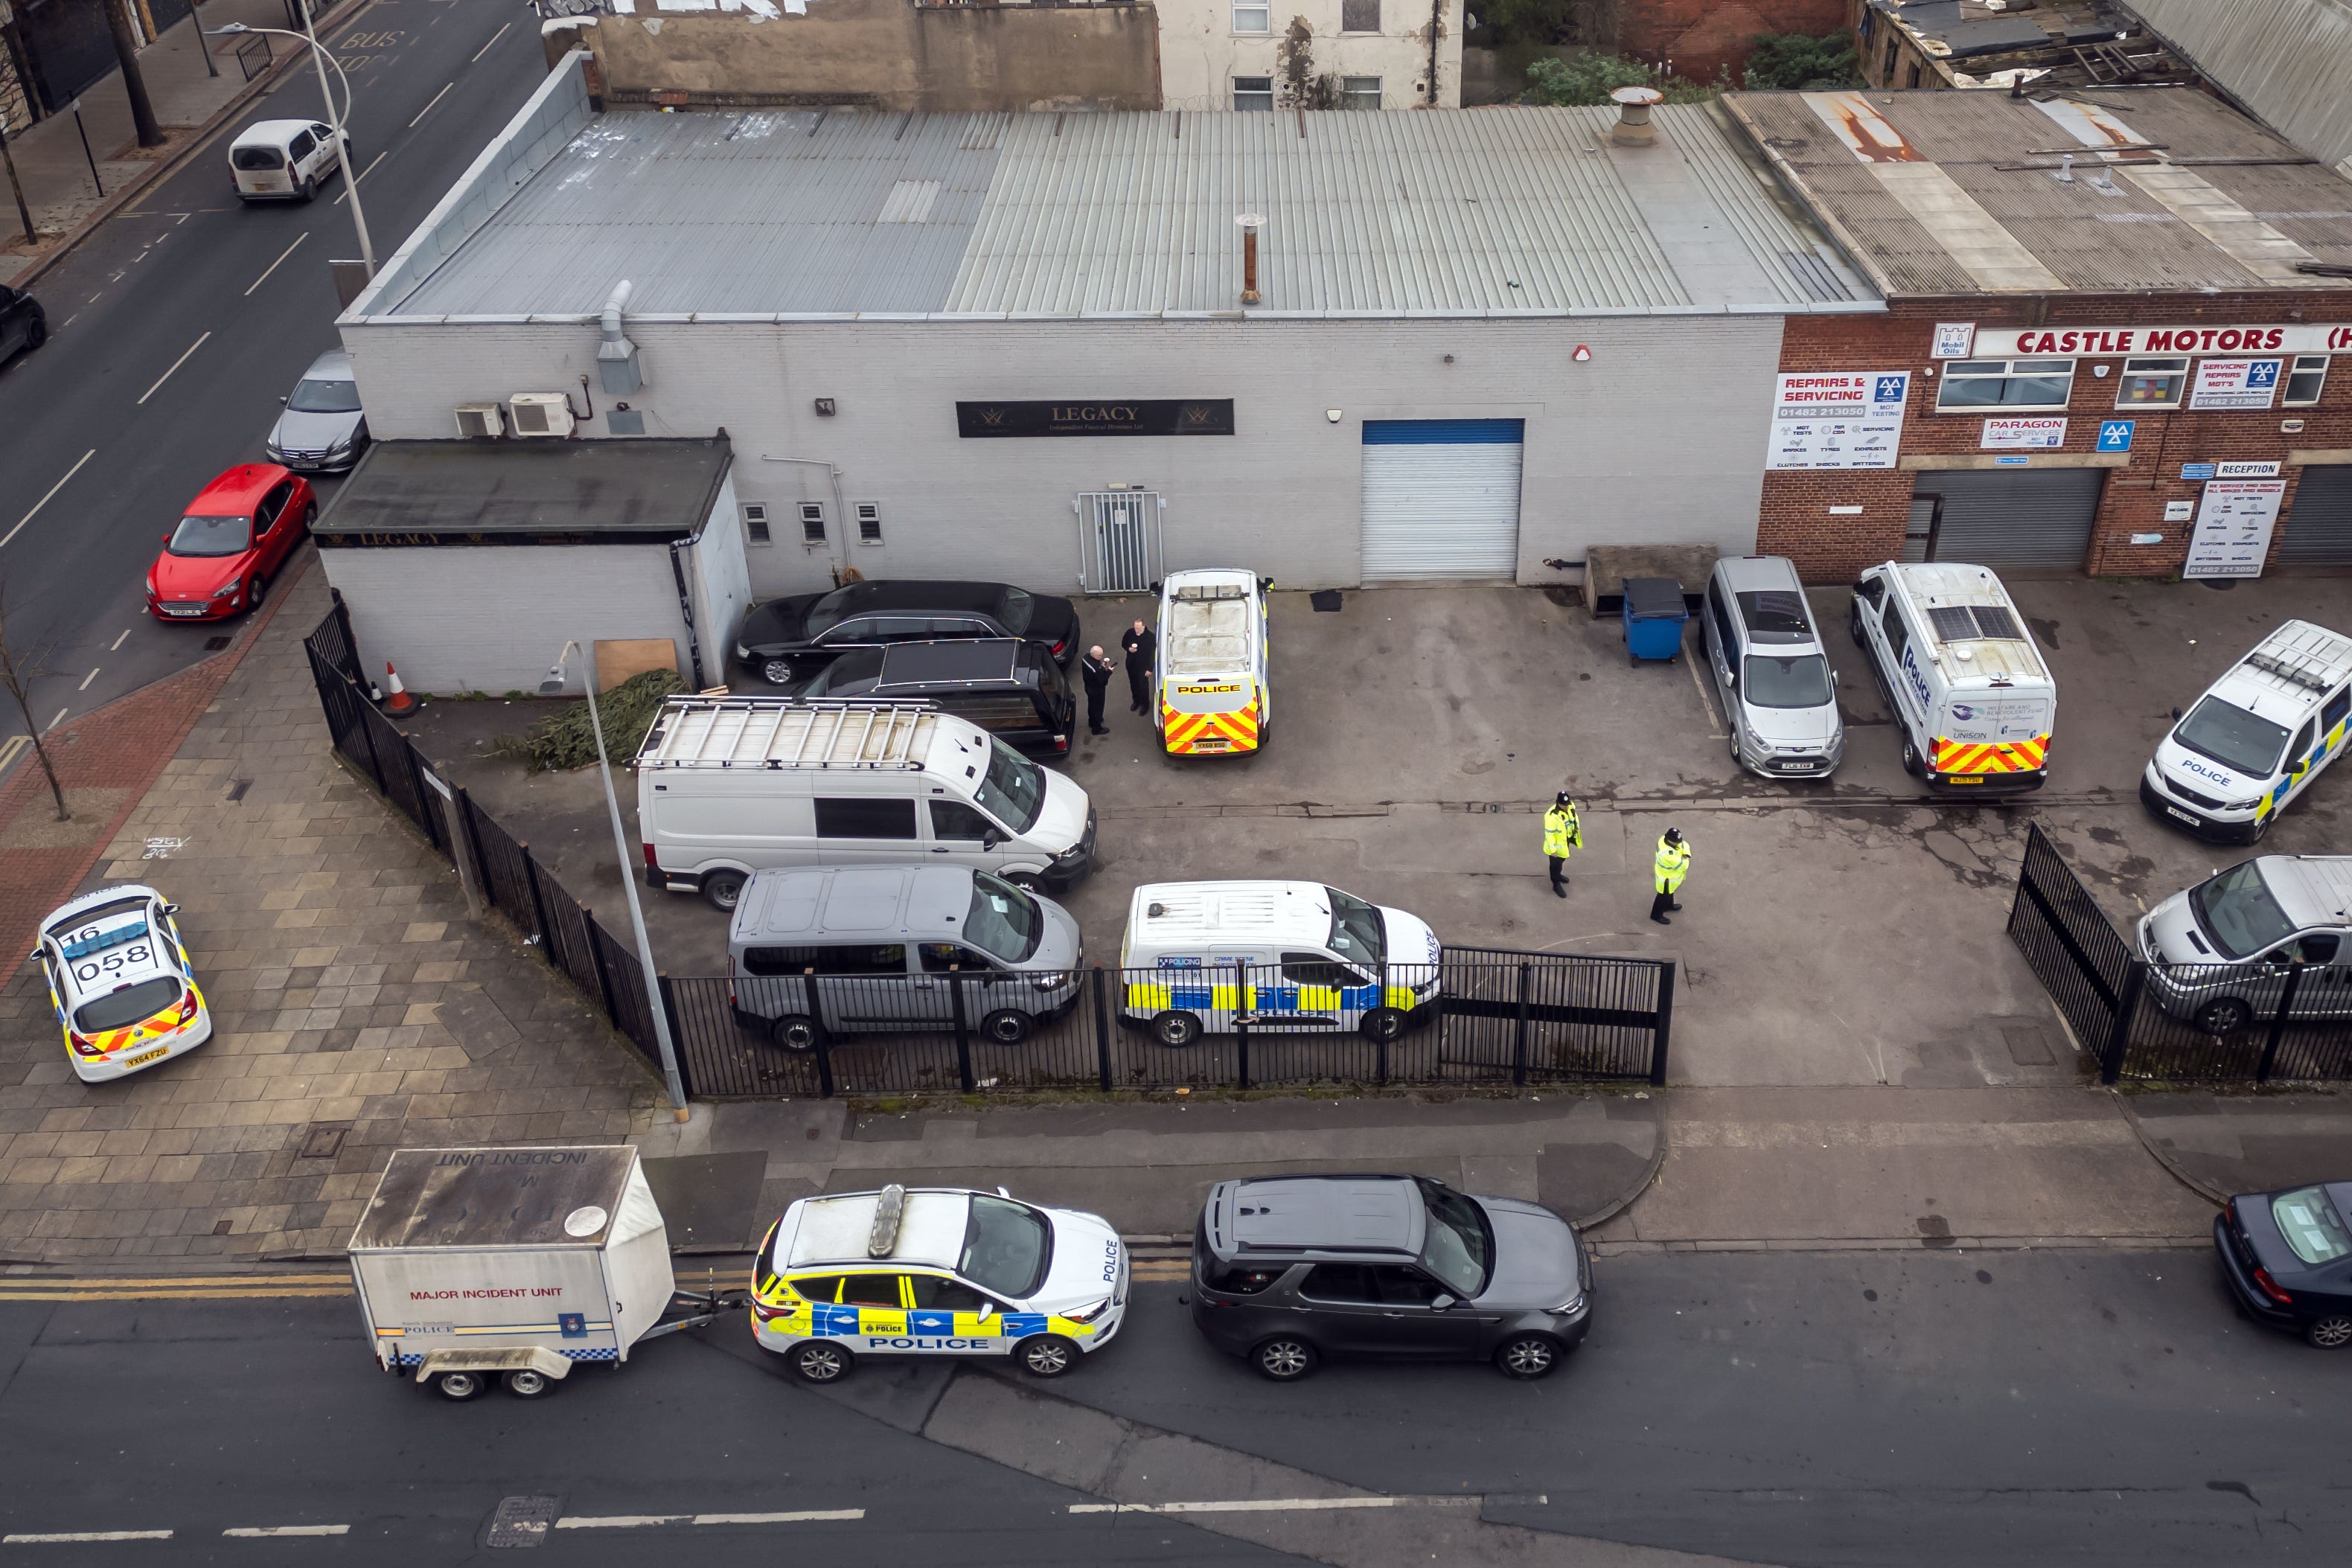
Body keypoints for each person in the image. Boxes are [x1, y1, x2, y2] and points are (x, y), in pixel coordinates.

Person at [1541, 792, 1582, 900]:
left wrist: (1575, 827)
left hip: (1565, 840)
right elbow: (1549, 834)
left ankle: (1558, 875)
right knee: (1555, 865)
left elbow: (1574, 817)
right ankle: (1556, 884)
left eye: (1567, 804)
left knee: (1562, 860)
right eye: (1564, 804)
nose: (1566, 806)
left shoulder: (1570, 806)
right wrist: (1553, 850)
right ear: (1558, 803)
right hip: (1556, 846)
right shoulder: (1551, 816)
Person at [1650, 828, 1690, 925]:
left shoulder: (1664, 839)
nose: (1679, 844)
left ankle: (1668, 906)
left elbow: (1685, 844)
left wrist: (1685, 852)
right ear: (1670, 840)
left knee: (1670, 893)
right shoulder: (1667, 855)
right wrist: (1685, 856)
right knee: (1663, 897)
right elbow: (1683, 865)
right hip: (1665, 879)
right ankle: (1656, 915)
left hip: (1671, 878)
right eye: (1676, 842)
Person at [1121, 618, 1157, 714]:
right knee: (1134, 684)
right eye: (1135, 627)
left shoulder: (1150, 637)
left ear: (1143, 626)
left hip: (1143, 667)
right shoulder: (1130, 633)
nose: (1136, 629)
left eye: (1138, 628)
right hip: (1131, 664)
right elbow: (1123, 644)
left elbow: (1152, 654)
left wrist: (1150, 668)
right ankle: (1136, 701)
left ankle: (1145, 705)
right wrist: (1129, 649)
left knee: (1143, 686)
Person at [1079, 645, 1115, 736]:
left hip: (1088, 686)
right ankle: (1097, 729)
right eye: (1100, 655)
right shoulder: (1095, 668)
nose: (1101, 657)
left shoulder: (1086, 658)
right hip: (1096, 690)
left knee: (1091, 705)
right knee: (1098, 708)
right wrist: (1109, 672)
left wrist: (1101, 667)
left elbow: (1096, 670)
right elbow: (1102, 681)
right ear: (1095, 655)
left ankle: (1091, 721)